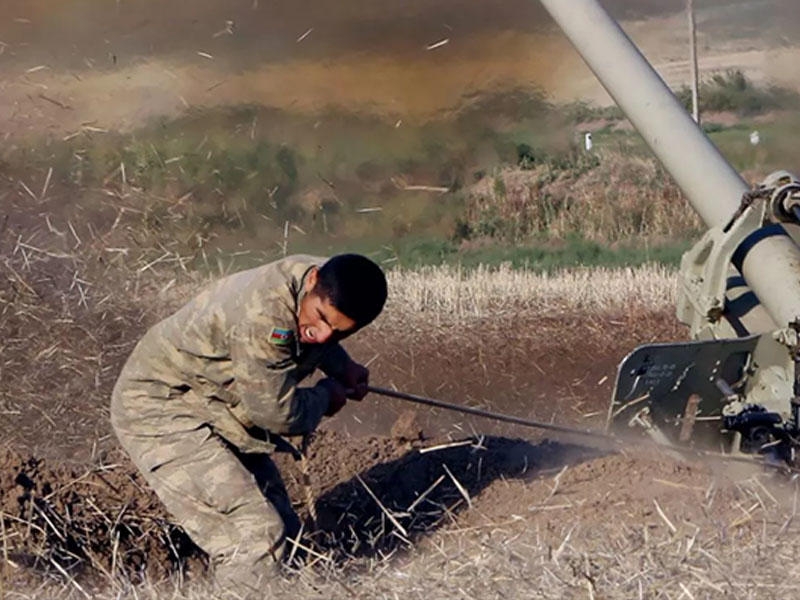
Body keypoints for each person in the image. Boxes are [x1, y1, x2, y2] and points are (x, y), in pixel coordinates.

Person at [110, 253, 387, 594]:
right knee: (255, 537)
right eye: (321, 318)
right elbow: (277, 414)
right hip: (160, 405)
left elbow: (311, 335)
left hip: (218, 405)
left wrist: (341, 366)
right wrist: (325, 397)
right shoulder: (264, 315)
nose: (322, 335)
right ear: (313, 279)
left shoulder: (324, 285)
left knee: (288, 539)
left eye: (338, 333)